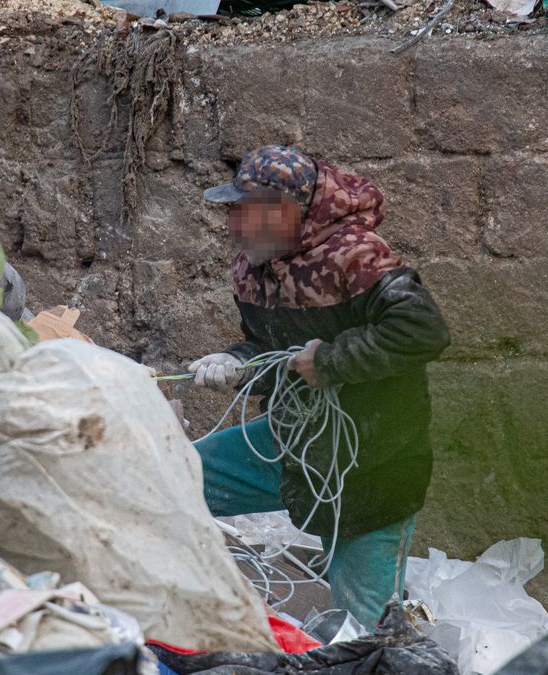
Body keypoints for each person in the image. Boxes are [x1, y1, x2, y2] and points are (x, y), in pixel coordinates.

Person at [189, 145, 451, 630]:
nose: (233, 227)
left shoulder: (357, 257)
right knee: (174, 473)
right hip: (292, 442)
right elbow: (269, 351)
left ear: (285, 214)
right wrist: (236, 362)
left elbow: (423, 330)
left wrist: (330, 361)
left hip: (370, 465)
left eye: (244, 214)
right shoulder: (255, 268)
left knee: (364, 634)